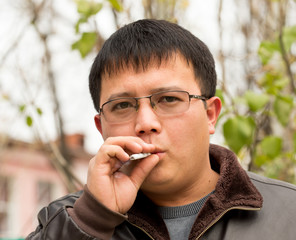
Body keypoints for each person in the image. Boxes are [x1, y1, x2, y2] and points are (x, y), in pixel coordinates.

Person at [26, 19, 296, 240]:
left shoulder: (288, 214)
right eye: (122, 105)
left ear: (210, 115)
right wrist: (95, 218)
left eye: (169, 99)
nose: (145, 124)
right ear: (101, 127)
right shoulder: (68, 220)